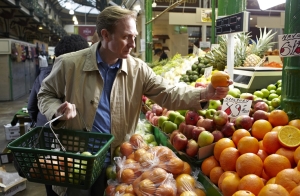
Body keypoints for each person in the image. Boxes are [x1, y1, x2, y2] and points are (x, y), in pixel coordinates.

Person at [37, 6, 231, 196]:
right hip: (79, 160)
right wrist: (56, 110)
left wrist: (205, 94)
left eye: (135, 37)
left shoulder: (138, 69)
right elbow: (45, 94)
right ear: (105, 35)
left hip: (120, 161)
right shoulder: (69, 64)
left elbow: (168, 93)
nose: (133, 43)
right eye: (126, 37)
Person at [27, 34, 89, 196]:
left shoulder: (42, 75)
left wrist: (38, 121)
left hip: (43, 135)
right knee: (68, 178)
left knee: (50, 178)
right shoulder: (77, 76)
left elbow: (32, 106)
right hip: (63, 140)